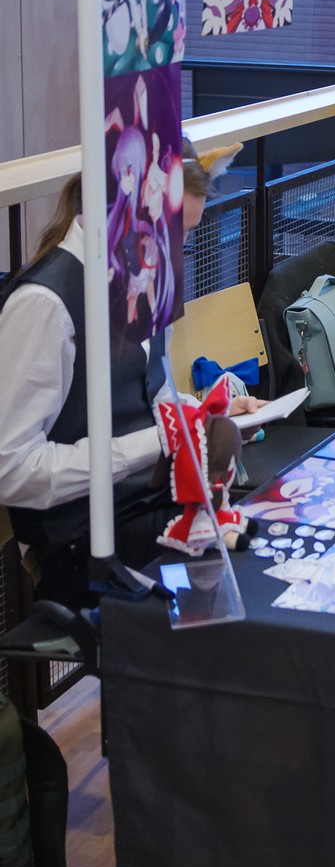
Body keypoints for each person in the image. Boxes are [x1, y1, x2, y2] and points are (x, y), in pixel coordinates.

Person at [0, 144, 263, 606]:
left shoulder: (143, 279)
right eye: (172, 234)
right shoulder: (44, 305)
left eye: (186, 235)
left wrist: (199, 413)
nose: (177, 253)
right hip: (82, 545)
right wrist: (156, 442)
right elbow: (12, 470)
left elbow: (150, 393)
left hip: (151, 506)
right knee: (246, 588)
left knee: (263, 551)